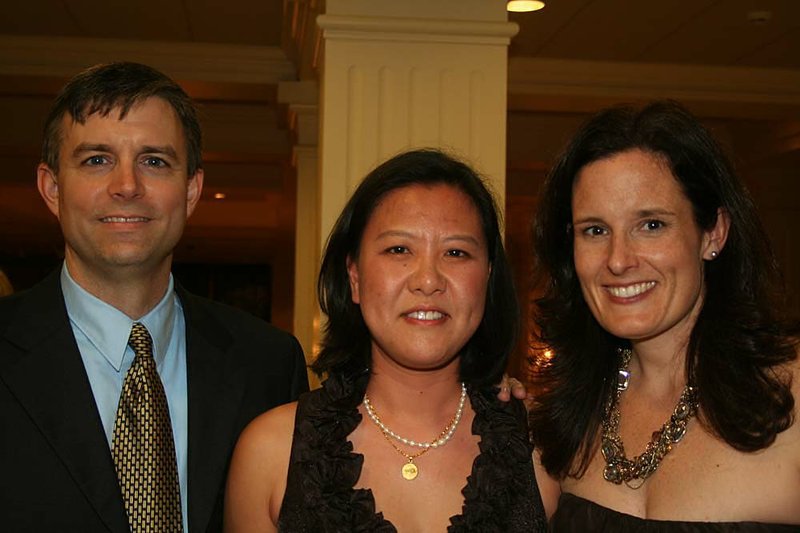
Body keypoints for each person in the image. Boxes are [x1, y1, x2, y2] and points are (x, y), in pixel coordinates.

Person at [0, 62, 309, 533]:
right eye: (96, 159)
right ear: (52, 188)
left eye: (155, 161)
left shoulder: (267, 365)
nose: (127, 186)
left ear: (191, 191)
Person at [224, 149, 548, 532]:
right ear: (355, 277)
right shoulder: (270, 452)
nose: (428, 280)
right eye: (399, 250)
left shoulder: (544, 448)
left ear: (487, 279)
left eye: (456, 253)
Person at [529, 101, 800, 529]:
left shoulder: (791, 394)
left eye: (651, 225)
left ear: (713, 232)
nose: (618, 260)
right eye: (595, 231)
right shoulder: (564, 416)